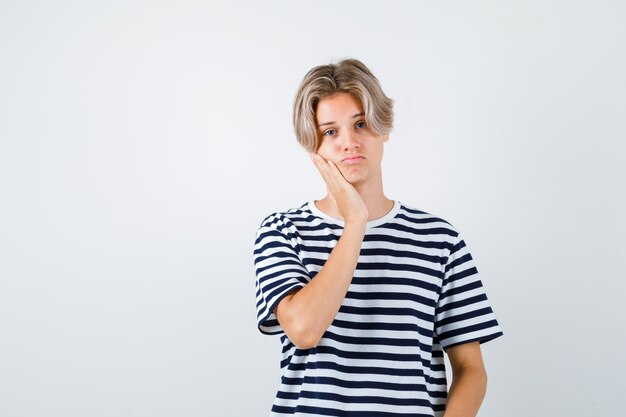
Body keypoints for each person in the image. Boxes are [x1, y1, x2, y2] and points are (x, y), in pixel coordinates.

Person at [252, 58, 503, 417]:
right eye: (330, 131)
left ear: (384, 128)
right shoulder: (282, 231)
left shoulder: (439, 239)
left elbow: (471, 369)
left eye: (361, 124)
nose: (349, 142)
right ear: (314, 147)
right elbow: (304, 330)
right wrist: (356, 222)